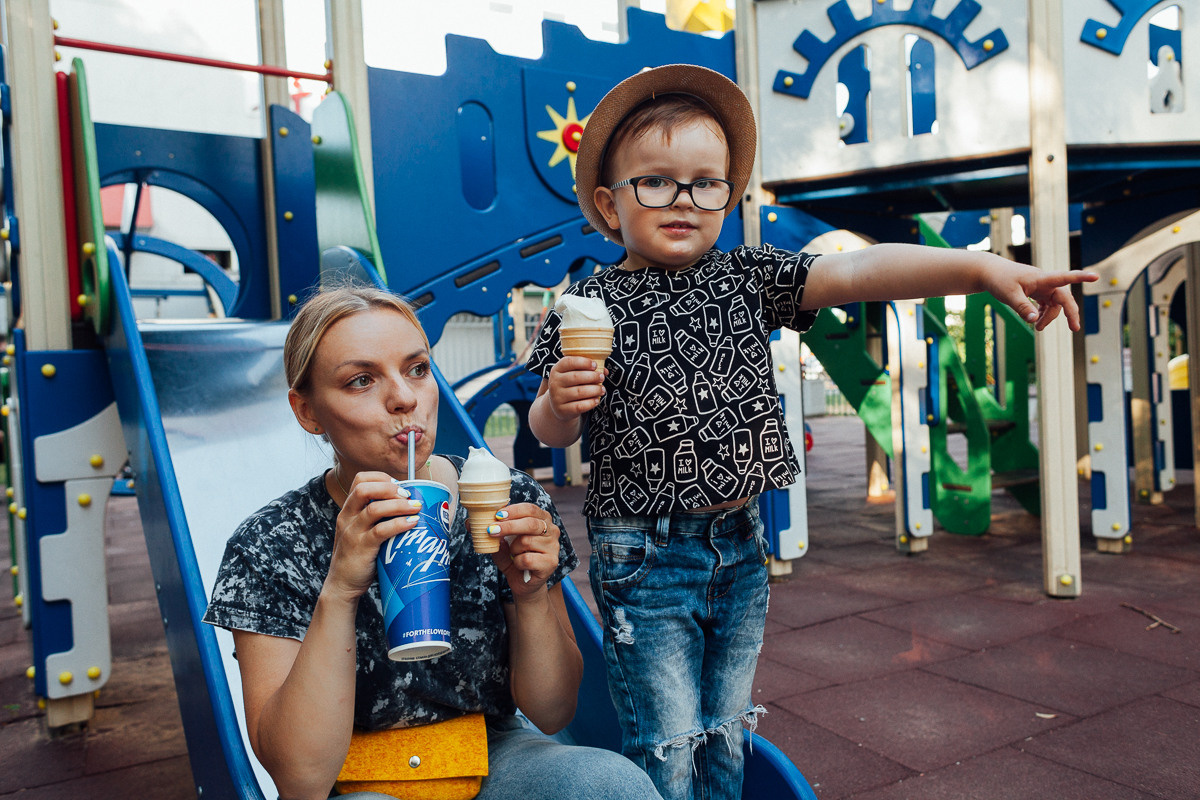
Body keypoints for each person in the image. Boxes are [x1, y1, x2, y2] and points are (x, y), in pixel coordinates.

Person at [525, 64, 1098, 800]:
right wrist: (562, 403)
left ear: (729, 196)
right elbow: (547, 428)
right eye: (656, 182)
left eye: (706, 183)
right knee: (667, 743)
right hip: (644, 550)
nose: (684, 200)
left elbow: (859, 270)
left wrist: (980, 268)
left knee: (727, 729)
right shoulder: (589, 303)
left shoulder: (748, 277)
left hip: (737, 545)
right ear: (609, 203)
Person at [203, 286, 661, 800]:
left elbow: (554, 711)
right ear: (307, 412)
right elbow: (300, 780)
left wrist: (530, 596)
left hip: (492, 753)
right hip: (351, 776)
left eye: (417, 369)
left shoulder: (507, 499)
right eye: (360, 380)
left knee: (613, 784)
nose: (405, 397)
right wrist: (340, 587)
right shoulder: (271, 544)